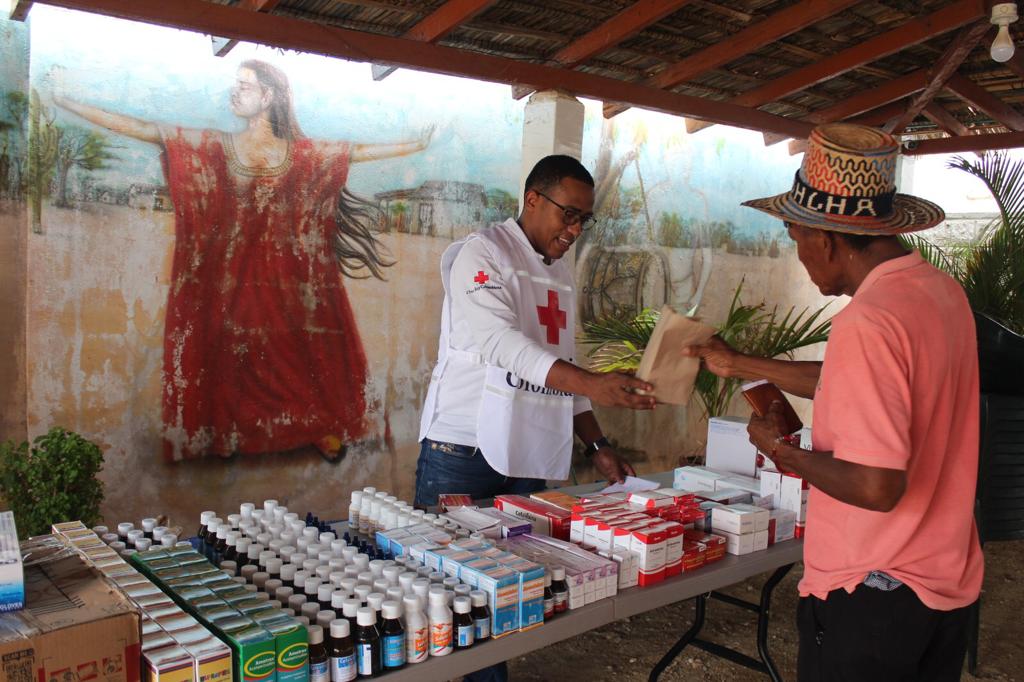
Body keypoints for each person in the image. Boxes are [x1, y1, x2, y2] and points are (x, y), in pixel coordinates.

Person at [687, 123, 983, 681]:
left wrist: (782, 450)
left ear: (824, 239)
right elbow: (858, 380)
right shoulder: (941, 294)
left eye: (794, 238)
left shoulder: (867, 321)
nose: (799, 253)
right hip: (942, 585)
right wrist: (740, 364)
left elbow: (877, 486)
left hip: (872, 593)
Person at [53, 60, 432, 461]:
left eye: (244, 86)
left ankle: (316, 426)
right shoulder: (217, 146)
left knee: (298, 357)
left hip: (288, 284)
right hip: (229, 281)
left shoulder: (304, 155)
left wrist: (418, 145)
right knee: (230, 354)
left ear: (268, 97)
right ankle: (228, 431)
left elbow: (354, 153)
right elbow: (147, 131)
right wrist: (66, 101)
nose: (234, 92)